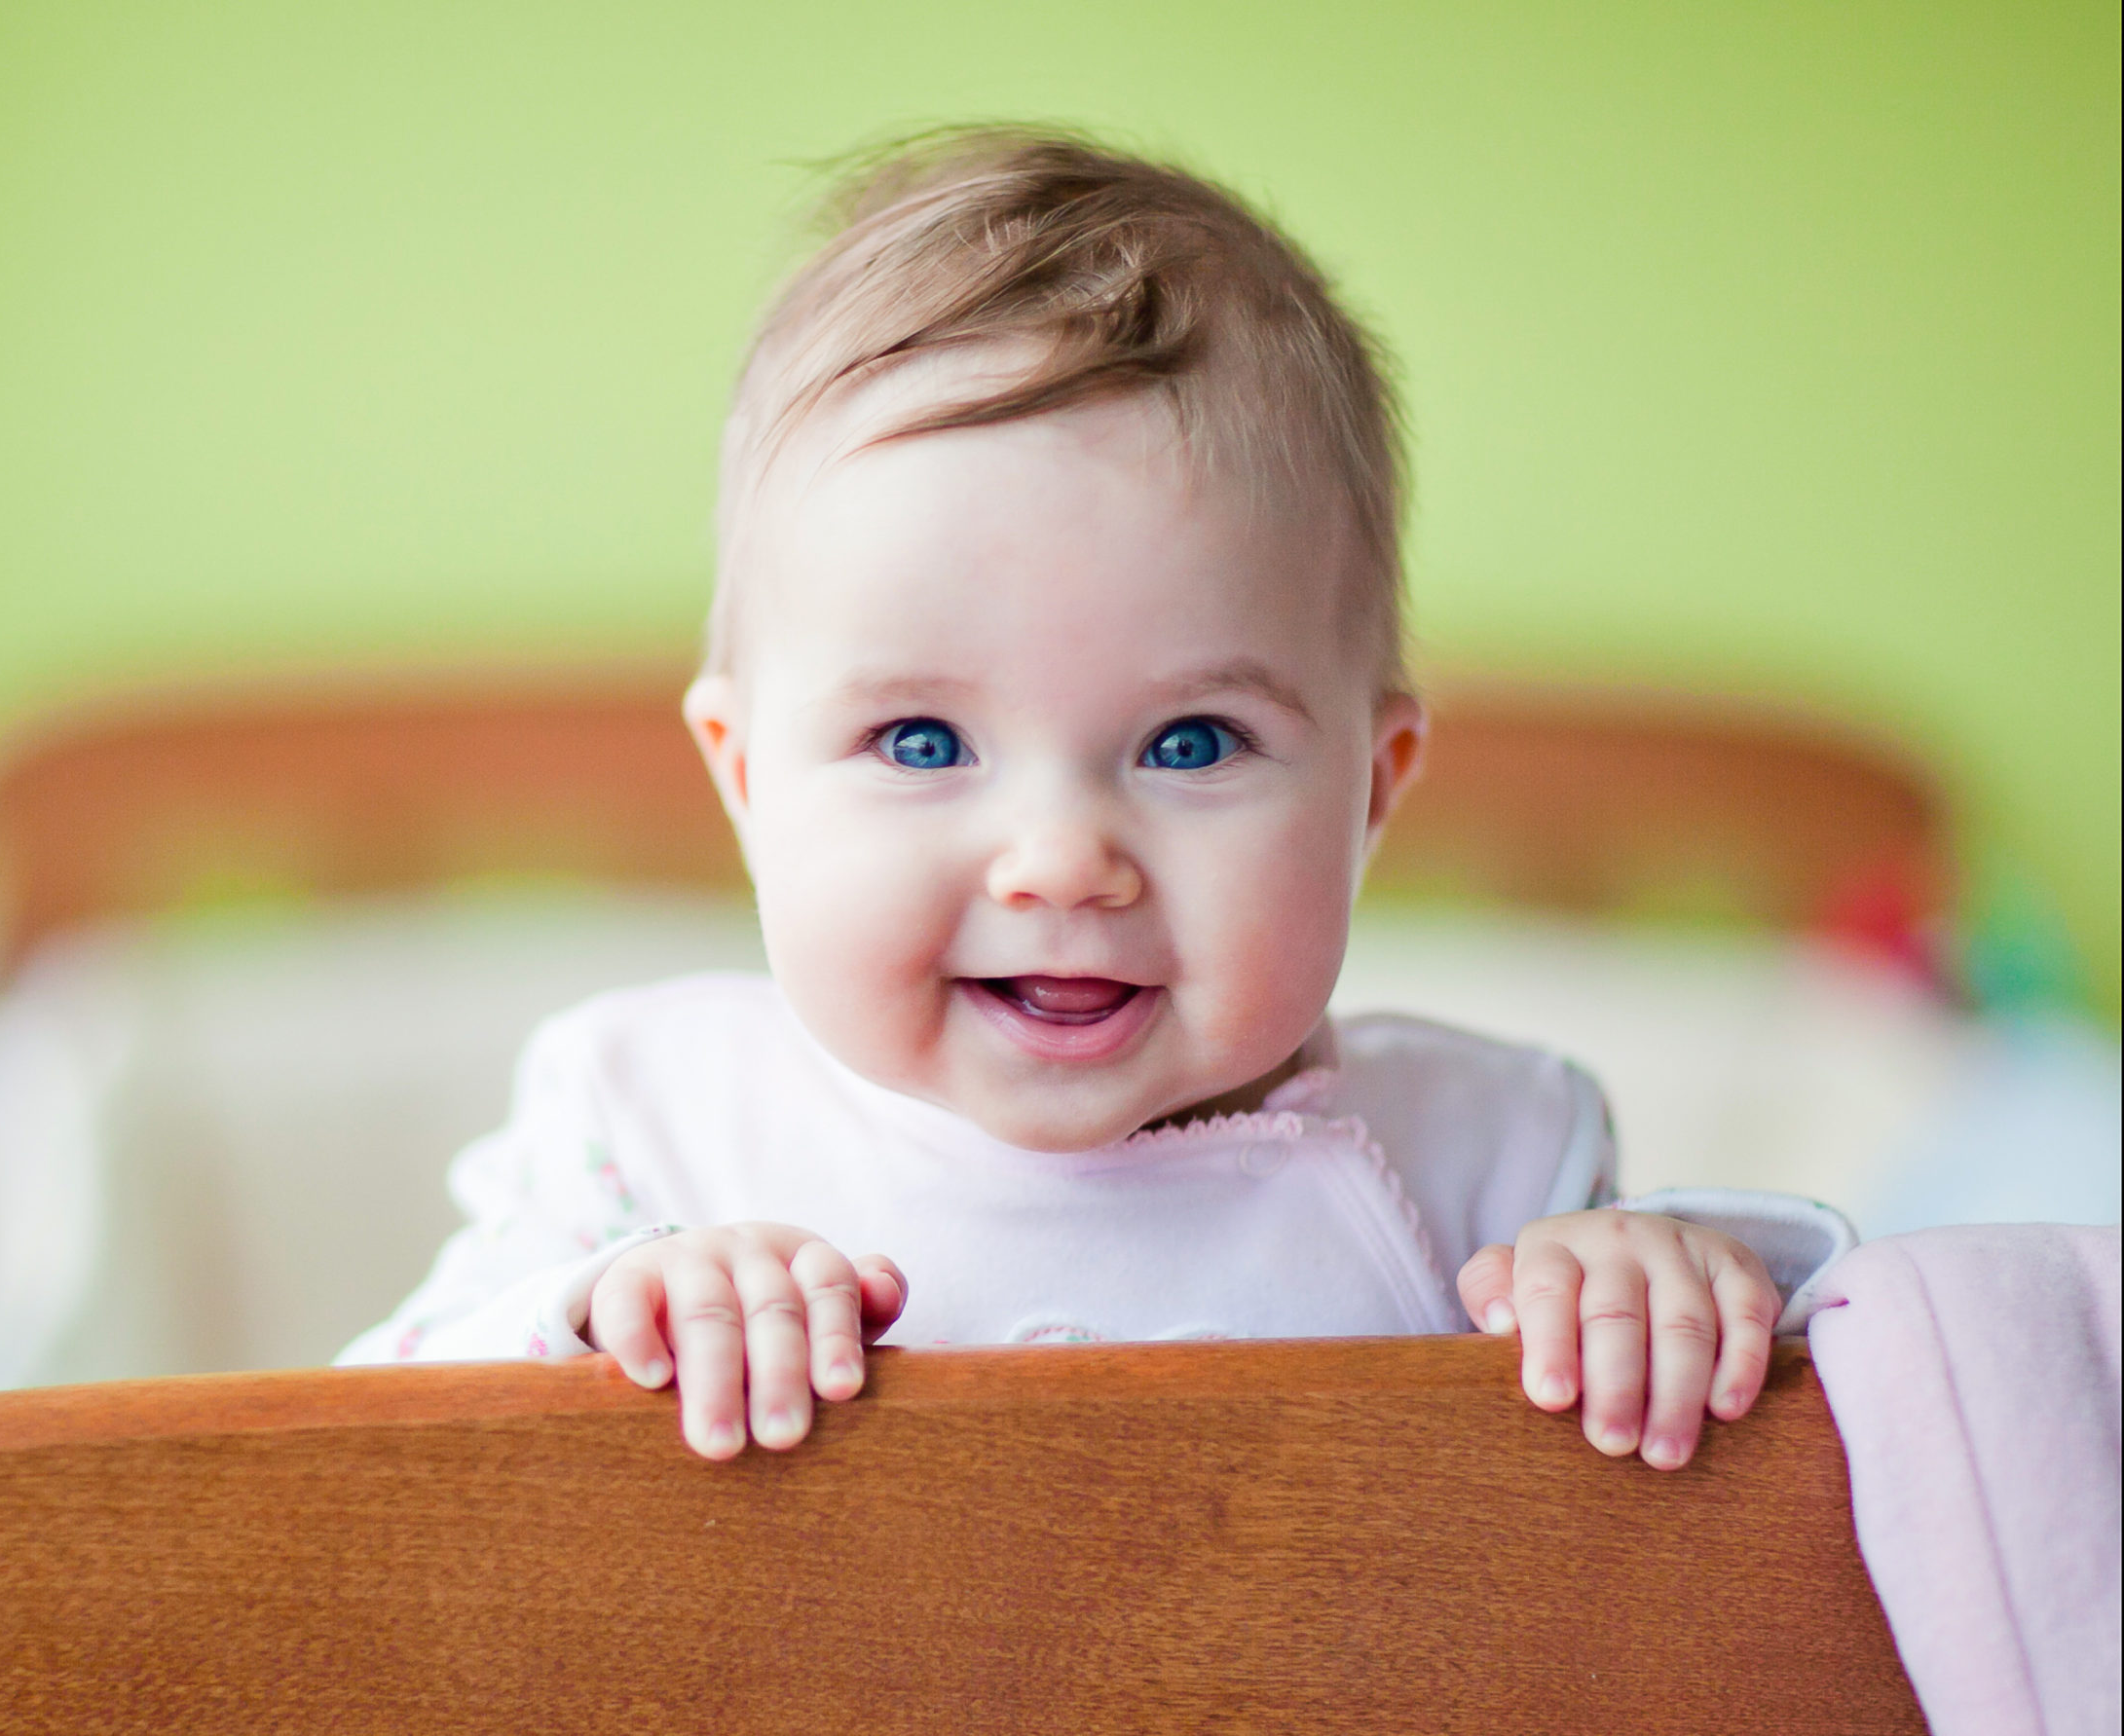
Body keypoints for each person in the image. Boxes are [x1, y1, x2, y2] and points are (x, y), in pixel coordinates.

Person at [339, 127, 1849, 1467]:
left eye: (1190, 744)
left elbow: (1748, 1513)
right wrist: (600, 1322)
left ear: (1370, 794)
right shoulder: (649, 1120)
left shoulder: (1493, 1162)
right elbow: (348, 1445)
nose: (1062, 863)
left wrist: (1676, 1295)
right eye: (924, 743)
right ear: (744, 781)